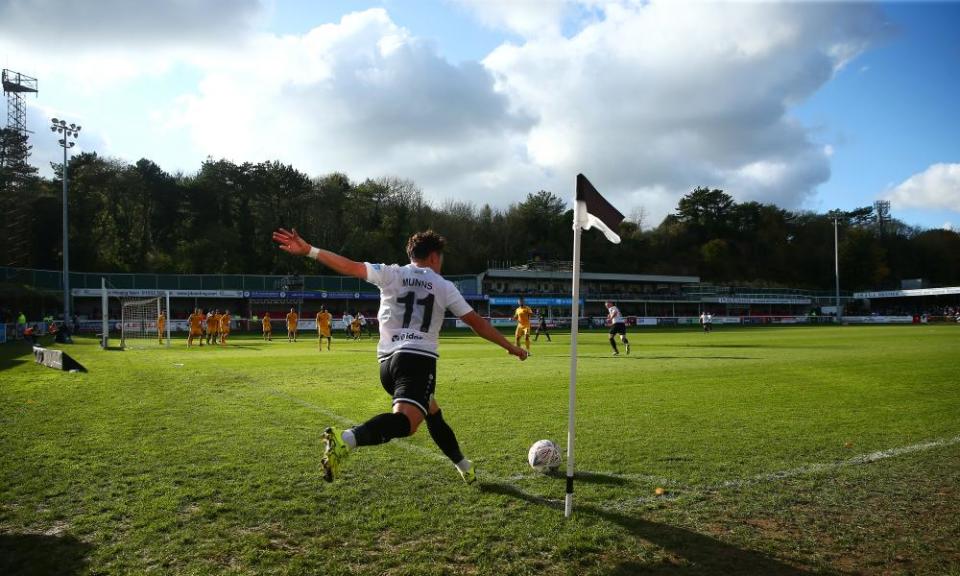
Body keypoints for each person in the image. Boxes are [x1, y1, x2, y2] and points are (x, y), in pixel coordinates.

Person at [272, 227, 527, 484]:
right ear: (434, 257)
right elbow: (477, 323)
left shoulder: (391, 272)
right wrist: (511, 347)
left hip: (387, 365)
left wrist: (310, 251)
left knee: (432, 412)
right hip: (417, 359)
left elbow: (350, 266)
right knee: (407, 422)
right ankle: (347, 439)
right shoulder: (444, 285)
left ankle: (463, 465)